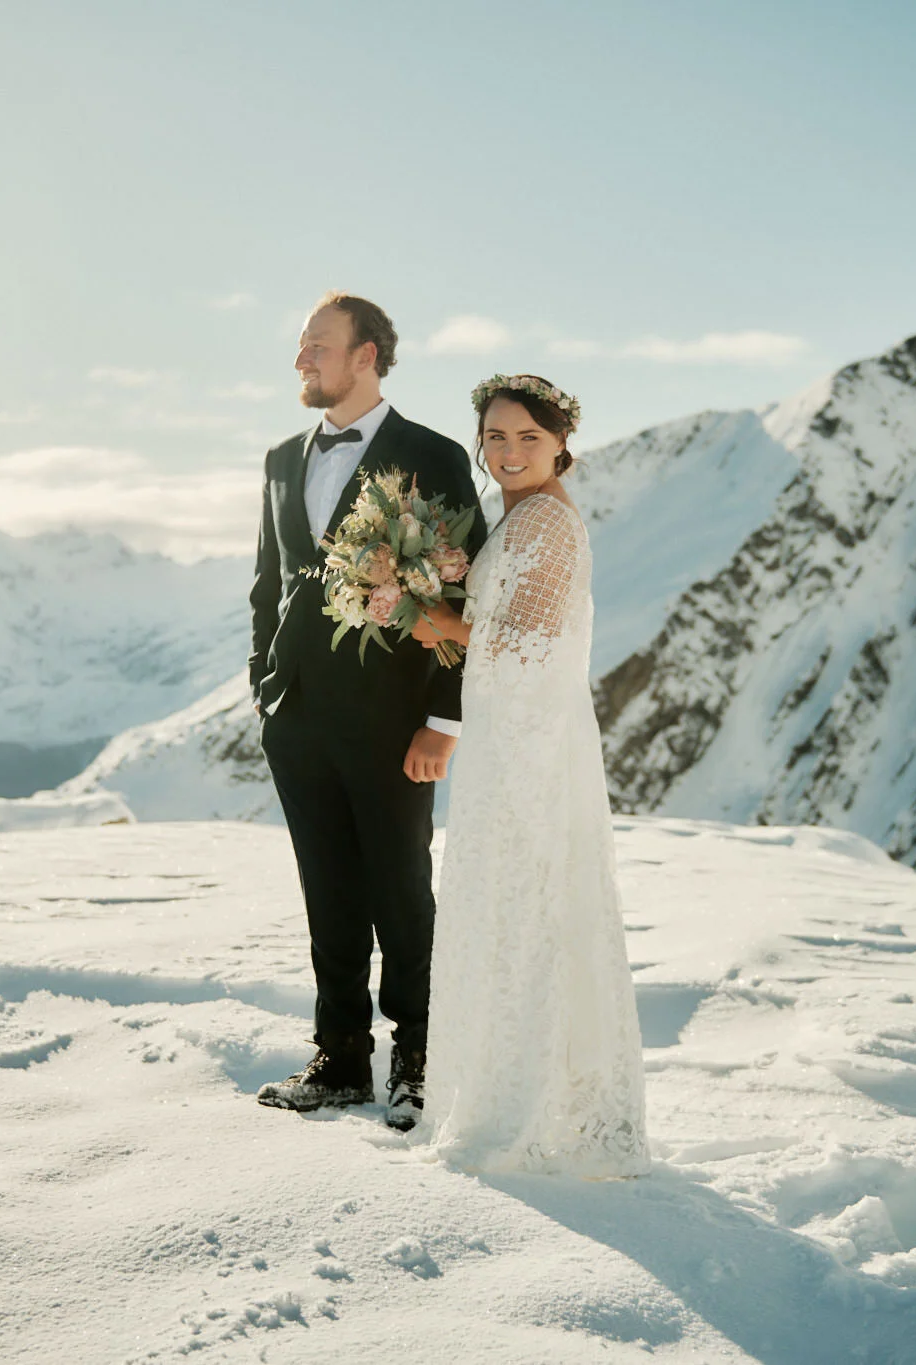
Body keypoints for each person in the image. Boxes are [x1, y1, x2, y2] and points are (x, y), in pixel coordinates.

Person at [248, 291, 488, 1128]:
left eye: (316, 345)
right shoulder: (282, 458)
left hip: (395, 721)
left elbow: (470, 593)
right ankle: (340, 1054)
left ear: (367, 356)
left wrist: (445, 718)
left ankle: (420, 1055)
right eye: (301, 346)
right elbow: (269, 584)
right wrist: (264, 687)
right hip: (299, 715)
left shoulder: (434, 454)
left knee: (400, 888)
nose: (301, 360)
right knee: (329, 889)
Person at [406, 373, 651, 1176]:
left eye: (528, 438)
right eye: (497, 437)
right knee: (505, 901)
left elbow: (529, 645)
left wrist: (438, 619)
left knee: (529, 900)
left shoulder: (545, 521)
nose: (510, 452)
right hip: (506, 741)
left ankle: (534, 1101)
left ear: (559, 446)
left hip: (533, 749)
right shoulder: (514, 519)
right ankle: (497, 1082)